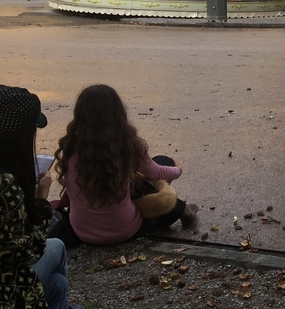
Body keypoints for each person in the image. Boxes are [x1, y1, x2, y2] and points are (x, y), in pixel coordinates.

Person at [0, 85, 87, 309]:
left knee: (58, 287)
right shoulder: (5, 185)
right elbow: (24, 253)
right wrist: (39, 201)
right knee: (55, 249)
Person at [52, 85, 197, 246]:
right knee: (162, 164)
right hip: (125, 230)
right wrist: (177, 170)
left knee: (135, 183)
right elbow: (157, 172)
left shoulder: (70, 146)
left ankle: (182, 209)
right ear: (117, 112)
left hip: (83, 232)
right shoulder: (127, 145)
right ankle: (183, 209)